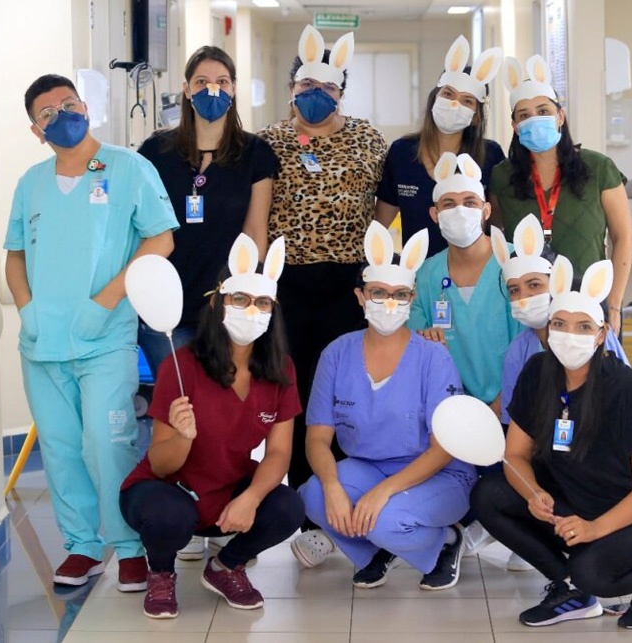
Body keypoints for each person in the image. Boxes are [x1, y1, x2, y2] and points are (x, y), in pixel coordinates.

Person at [4, 74, 178, 591]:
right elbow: (15, 256)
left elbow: (161, 240)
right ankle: (81, 545)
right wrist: (27, 310)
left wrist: (106, 302)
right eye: (46, 113)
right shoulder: (31, 182)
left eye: (68, 103)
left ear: (86, 106)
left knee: (107, 442)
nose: (61, 115)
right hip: (42, 343)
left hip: (103, 336)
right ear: (36, 130)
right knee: (59, 446)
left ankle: (127, 545)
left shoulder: (129, 168)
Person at [471, 257, 632, 630]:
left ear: (602, 333)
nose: (569, 335)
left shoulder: (624, 388)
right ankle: (569, 587)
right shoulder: (536, 373)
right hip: (574, 498)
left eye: (583, 326)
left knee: (594, 572)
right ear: (549, 327)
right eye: (560, 324)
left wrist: (594, 529)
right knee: (488, 495)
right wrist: (533, 492)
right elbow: (516, 455)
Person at [119, 234, 305, 618]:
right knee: (170, 516)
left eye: (262, 302)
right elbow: (160, 464)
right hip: (169, 492)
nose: (251, 310)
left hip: (226, 493)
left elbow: (281, 452)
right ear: (218, 303)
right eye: (240, 299)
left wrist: (251, 497)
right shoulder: (182, 365)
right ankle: (161, 572)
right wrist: (184, 438)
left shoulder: (280, 369)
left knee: (288, 507)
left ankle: (225, 566)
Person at [258, 24, 387, 565]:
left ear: (342, 90)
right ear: (292, 87)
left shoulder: (368, 139)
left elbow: (384, 208)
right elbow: (257, 213)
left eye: (328, 87)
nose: (317, 95)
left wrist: (376, 262)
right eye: (306, 84)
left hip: (346, 281)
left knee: (341, 390)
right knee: (296, 390)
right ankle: (310, 510)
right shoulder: (269, 142)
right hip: (288, 281)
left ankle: (348, 497)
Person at [299, 221, 475, 590]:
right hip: (366, 467)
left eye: (400, 294)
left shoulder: (433, 357)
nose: (389, 303)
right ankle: (378, 551)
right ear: (361, 297)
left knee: (384, 518)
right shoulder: (337, 353)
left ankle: (446, 543)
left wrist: (384, 492)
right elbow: (317, 437)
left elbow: (444, 450)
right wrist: (332, 485)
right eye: (378, 292)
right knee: (312, 497)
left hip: (438, 474)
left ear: (412, 300)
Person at [136, 45, 280, 378]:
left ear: (233, 89)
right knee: (180, 406)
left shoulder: (255, 153)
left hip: (225, 305)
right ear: (186, 90)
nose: (211, 90)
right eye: (201, 82)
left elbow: (256, 231)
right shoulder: (156, 152)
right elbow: (139, 228)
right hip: (166, 303)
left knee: (220, 403)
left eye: (222, 81)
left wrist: (241, 291)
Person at [489, 54, 632, 335]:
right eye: (524, 115)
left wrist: (614, 305)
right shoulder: (502, 177)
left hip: (590, 304)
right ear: (515, 127)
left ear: (560, 116)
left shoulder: (598, 167)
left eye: (543, 111)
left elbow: (623, 237)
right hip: (527, 312)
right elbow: (497, 240)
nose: (535, 119)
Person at [408, 152, 521, 417]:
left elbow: (530, 346)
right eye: (449, 204)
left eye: (470, 202)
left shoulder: (515, 264)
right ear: (434, 214)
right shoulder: (425, 275)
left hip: (515, 406)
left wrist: (503, 404)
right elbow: (415, 343)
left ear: (486, 210)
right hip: (450, 410)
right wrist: (425, 338)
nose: (460, 211)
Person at [491, 214, 629, 432]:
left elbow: (627, 410)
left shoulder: (593, 335)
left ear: (557, 283)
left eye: (534, 285)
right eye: (514, 290)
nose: (524, 297)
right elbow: (512, 428)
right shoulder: (518, 352)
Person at [376, 36, 505, 256]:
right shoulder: (402, 152)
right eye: (448, 94)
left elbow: (499, 224)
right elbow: (378, 225)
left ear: (476, 116)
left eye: (467, 101)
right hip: (419, 272)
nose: (455, 104)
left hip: (479, 271)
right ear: (434, 99)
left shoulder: (490, 155)